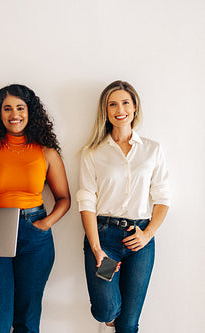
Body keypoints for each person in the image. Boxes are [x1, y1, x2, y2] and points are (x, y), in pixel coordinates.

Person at [0, 84, 71, 332]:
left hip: (35, 236)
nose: (14, 114)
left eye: (20, 108)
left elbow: (64, 198)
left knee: (27, 321)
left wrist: (45, 224)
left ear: (30, 112)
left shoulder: (46, 152)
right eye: (7, 108)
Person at [76, 80, 170, 333]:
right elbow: (86, 202)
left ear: (135, 107)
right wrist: (97, 249)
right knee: (107, 309)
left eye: (125, 102)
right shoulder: (92, 152)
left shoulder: (152, 149)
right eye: (113, 104)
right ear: (105, 111)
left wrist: (147, 233)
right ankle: (109, 319)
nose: (120, 109)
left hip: (139, 241)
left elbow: (162, 197)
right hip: (106, 240)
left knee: (128, 324)